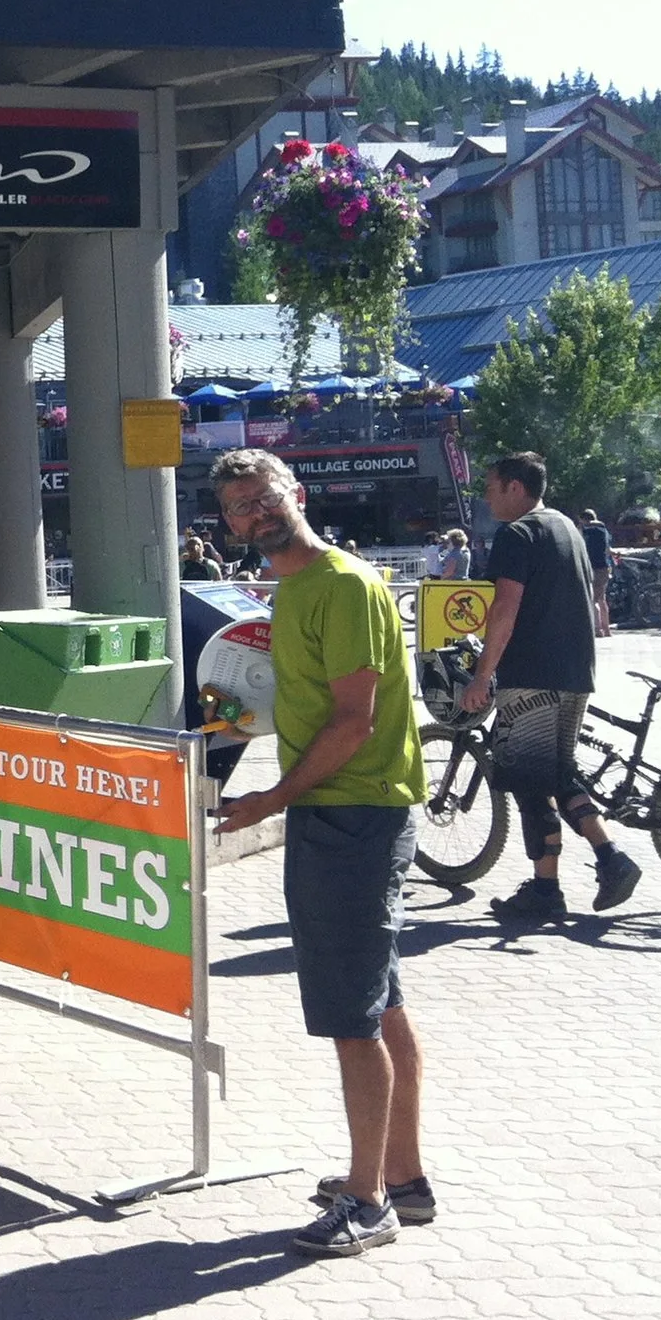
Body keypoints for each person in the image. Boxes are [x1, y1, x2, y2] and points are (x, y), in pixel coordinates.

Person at [210, 450, 431, 1257]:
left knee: (350, 1016)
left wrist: (268, 801)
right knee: (380, 1000)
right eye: (238, 507)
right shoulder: (296, 586)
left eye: (263, 498)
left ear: (295, 495)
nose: (254, 515)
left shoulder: (340, 583)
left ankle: (368, 1201)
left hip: (353, 814)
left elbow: (353, 721)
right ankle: (400, 1177)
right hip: (344, 813)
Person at [463, 455, 640, 922]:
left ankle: (570, 877)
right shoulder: (565, 526)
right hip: (574, 672)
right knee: (557, 771)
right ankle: (593, 865)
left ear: (515, 487)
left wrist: (483, 675)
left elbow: (505, 608)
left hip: (530, 674)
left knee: (528, 779)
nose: (486, 496)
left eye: (492, 486)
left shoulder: (517, 534)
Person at [578, 508, 613, 639]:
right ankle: (607, 629)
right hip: (604, 567)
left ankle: (597, 630)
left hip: (591, 567)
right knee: (602, 599)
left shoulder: (585, 530)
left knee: (593, 600)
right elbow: (608, 549)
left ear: (584, 519)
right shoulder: (604, 529)